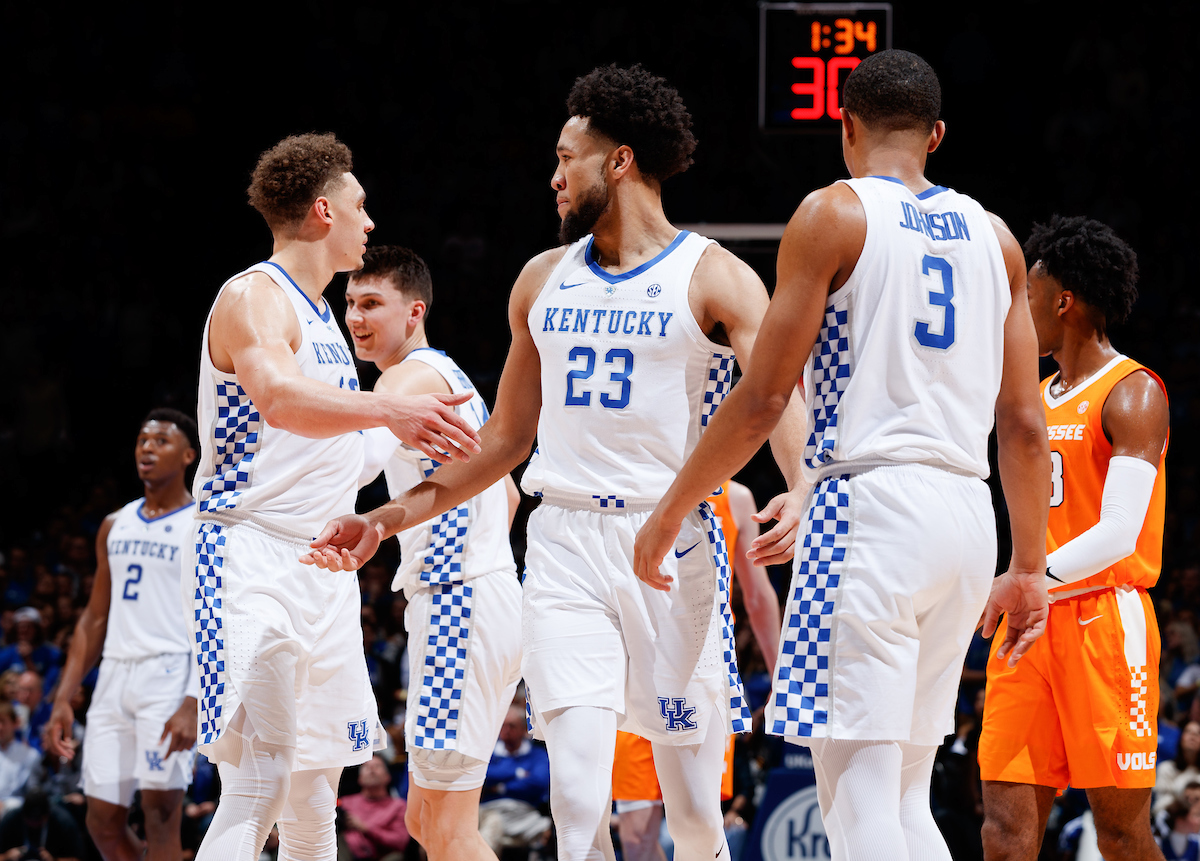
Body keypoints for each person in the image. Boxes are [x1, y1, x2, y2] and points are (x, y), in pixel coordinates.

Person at [303, 64, 806, 861]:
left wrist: (806, 482)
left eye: (567, 157)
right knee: (575, 801)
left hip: (670, 544)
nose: (554, 175)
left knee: (693, 811)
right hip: (565, 540)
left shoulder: (712, 273)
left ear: (619, 161)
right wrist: (382, 517)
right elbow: (502, 441)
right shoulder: (541, 279)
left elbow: (777, 391)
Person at [630, 49, 1052, 861]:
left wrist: (673, 506)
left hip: (868, 511)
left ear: (845, 126)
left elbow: (760, 397)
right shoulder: (997, 240)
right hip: (968, 518)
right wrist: (1029, 564)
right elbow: (1024, 422)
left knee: (855, 802)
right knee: (904, 795)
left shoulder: (834, 213)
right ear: (936, 134)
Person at [185, 132, 482, 861]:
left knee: (316, 796)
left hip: (320, 564)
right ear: (324, 210)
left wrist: (415, 428)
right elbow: (279, 400)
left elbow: (333, 456)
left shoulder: (323, 322)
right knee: (259, 783)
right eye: (360, 205)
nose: (369, 220)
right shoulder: (253, 295)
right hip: (248, 555)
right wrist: (393, 411)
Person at [978, 216, 1169, 861]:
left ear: (1063, 301)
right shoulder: (1031, 399)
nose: (1018, 313)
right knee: (1004, 833)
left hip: (1105, 625)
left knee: (1119, 832)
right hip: (1032, 618)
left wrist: (1030, 580)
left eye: (1027, 297)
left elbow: (1119, 532)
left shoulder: (1134, 392)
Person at [344, 244, 523, 861]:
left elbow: (348, 461)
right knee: (425, 821)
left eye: (372, 303)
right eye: (349, 303)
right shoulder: (448, 376)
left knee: (447, 830)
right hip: (479, 596)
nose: (356, 318)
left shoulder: (405, 381)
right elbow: (506, 493)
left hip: (458, 604)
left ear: (414, 310)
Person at [44, 409, 200, 861]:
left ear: (189, 455)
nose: (146, 448)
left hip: (170, 674)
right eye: (141, 441)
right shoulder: (116, 523)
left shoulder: (202, 525)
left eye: (161, 441)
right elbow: (94, 618)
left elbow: (216, 620)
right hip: (114, 676)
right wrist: (63, 697)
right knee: (102, 822)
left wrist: (195, 699)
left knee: (161, 814)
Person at [611, 480, 781, 861]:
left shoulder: (736, 498)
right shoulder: (631, 476)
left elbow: (756, 594)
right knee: (636, 837)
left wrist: (779, 675)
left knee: (700, 823)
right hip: (636, 673)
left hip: (700, 677)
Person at [478, 704, 552, 857]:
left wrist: (499, 787)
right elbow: (484, 775)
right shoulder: (488, 752)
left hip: (524, 813)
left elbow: (539, 782)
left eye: (511, 726)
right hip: (490, 809)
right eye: (502, 726)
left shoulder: (537, 754)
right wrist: (518, 773)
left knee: (550, 828)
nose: (506, 731)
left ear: (524, 730)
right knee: (493, 823)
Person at [338, 755, 409, 861]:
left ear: (388, 777)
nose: (371, 769)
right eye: (366, 767)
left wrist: (365, 828)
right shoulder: (345, 802)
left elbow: (399, 842)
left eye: (377, 766)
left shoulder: (398, 806)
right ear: (359, 778)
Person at [0, 790, 84, 861]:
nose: (34, 823)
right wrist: (6, 856)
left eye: (38, 820)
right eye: (30, 819)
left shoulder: (63, 821)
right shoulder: (11, 819)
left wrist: (54, 860)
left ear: (47, 815)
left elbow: (79, 858)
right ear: (23, 815)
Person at [0, 703, 38, 803]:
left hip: (14, 808)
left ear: (15, 723)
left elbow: (30, 792)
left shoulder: (29, 754)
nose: (0, 727)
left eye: (3, 722)